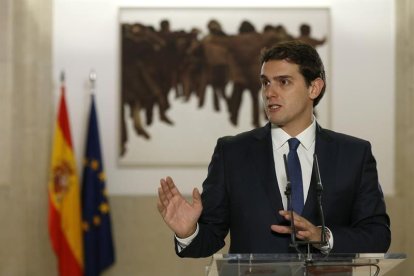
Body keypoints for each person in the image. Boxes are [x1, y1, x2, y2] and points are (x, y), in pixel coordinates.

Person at [157, 41, 391, 257]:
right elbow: (210, 238)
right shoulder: (232, 153)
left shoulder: (354, 154)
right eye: (265, 82)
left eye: (283, 81)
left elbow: (378, 236)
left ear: (314, 88)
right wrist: (189, 233)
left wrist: (324, 237)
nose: (269, 92)